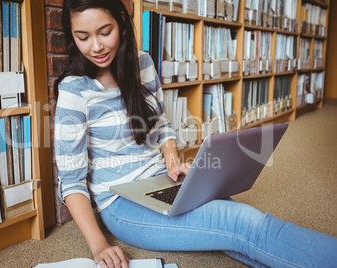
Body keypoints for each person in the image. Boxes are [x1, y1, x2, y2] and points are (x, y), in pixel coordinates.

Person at [54, 1, 337, 267]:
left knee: (241, 233)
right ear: (73, 36)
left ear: (122, 23)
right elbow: (72, 182)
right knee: (244, 223)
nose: (96, 46)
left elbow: (161, 124)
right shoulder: (74, 89)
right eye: (83, 37)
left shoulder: (141, 63)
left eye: (106, 32)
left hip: (162, 182)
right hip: (121, 205)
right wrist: (99, 245)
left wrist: (173, 162)